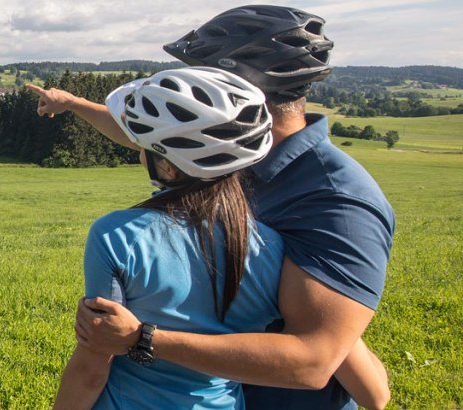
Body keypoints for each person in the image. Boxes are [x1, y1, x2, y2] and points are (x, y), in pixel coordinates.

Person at [31, 5, 393, 409]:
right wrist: (73, 103)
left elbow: (314, 362)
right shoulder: (224, 154)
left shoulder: (338, 201)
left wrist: (143, 337)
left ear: (235, 90)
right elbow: (157, 137)